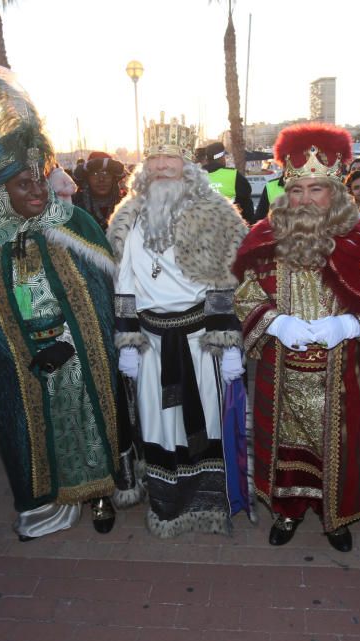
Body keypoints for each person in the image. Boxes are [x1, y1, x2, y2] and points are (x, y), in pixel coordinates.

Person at [0, 71, 134, 540]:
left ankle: (99, 495)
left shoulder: (74, 221)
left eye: (40, 182)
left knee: (93, 419)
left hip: (84, 350)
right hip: (26, 361)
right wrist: (26, 355)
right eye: (22, 187)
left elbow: (105, 293)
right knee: (37, 433)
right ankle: (52, 499)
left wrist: (83, 339)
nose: (36, 193)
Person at [232, 122, 360, 550]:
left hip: (346, 372)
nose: (305, 200)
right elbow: (244, 293)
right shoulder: (264, 238)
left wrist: (350, 325)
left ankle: (336, 517)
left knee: (342, 448)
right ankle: (288, 511)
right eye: (297, 190)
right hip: (282, 371)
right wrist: (276, 322)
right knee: (285, 447)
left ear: (335, 192)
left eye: (316, 189)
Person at [108, 113, 248, 538]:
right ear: (144, 168)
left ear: (188, 166)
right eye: (155, 159)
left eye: (171, 159)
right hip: (150, 344)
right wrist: (128, 341)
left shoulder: (216, 214)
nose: (163, 167)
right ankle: (167, 506)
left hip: (199, 343)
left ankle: (207, 504)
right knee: (157, 422)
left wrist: (227, 343)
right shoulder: (128, 218)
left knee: (203, 424)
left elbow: (225, 280)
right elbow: (125, 281)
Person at [200, 141, 256, 223]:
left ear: (207, 159)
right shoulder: (233, 175)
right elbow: (247, 206)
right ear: (221, 157)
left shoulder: (195, 177)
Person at [73, 151, 126, 231]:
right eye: (95, 174)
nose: (101, 179)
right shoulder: (75, 209)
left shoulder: (127, 206)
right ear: (87, 179)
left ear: (113, 178)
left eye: (106, 173)